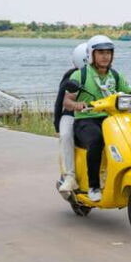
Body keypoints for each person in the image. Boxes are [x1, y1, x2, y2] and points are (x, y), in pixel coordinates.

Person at [63, 35, 131, 202]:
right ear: (91, 55)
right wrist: (77, 105)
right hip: (86, 120)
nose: (105, 56)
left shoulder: (115, 76)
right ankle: (94, 185)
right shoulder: (80, 76)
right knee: (96, 140)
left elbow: (130, 91)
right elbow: (67, 101)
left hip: (111, 119)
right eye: (101, 52)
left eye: (109, 52)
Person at [55, 43, 88, 196]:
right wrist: (57, 123)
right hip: (71, 115)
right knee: (66, 135)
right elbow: (60, 100)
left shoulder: (104, 75)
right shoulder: (71, 76)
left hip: (95, 115)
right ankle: (70, 175)